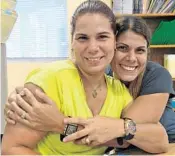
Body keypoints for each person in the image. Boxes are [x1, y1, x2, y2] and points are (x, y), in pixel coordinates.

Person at [3, 5, 170, 155]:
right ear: (72, 43)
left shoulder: (118, 90)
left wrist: (62, 124)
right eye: (83, 38)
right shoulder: (49, 80)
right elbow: (11, 149)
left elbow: (157, 139)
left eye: (102, 37)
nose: (92, 48)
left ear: (114, 42)